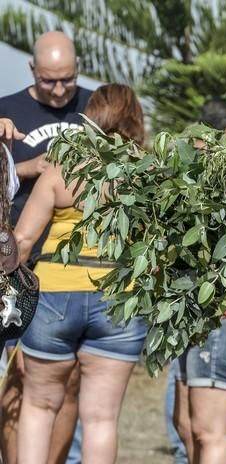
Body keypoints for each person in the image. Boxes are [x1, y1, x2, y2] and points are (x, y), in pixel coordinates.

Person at [13, 84, 147, 464]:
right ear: (134, 119)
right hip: (119, 298)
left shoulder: (62, 167)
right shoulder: (148, 176)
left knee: (39, 407)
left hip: (55, 294)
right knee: (102, 419)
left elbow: (23, 241)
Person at [0, 30, 92, 464]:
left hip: (68, 270)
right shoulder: (6, 110)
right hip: (14, 264)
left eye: (68, 80)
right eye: (49, 80)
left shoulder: (95, 109)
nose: (59, 90)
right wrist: (29, 166)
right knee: (17, 380)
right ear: (32, 71)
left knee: (68, 382)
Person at [172, 97, 226, 464]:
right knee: (186, 424)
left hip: (216, 316)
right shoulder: (189, 172)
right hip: (193, 317)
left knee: (208, 430)